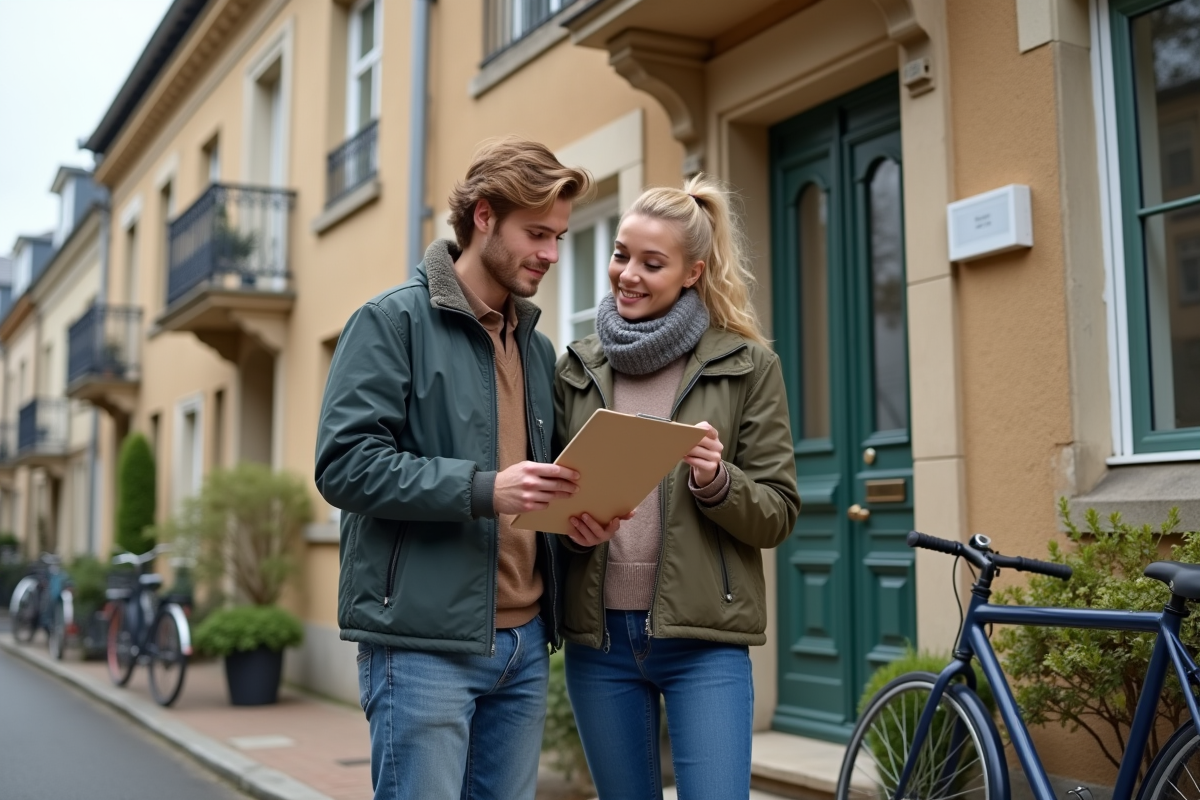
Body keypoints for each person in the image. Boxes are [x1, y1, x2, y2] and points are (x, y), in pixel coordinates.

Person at [315, 136, 620, 800]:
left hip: (523, 650)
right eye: (537, 232)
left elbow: (535, 491)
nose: (551, 253)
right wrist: (484, 490)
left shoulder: (537, 351)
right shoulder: (390, 323)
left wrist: (575, 525)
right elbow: (344, 466)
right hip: (423, 650)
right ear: (484, 216)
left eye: (561, 237)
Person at [554, 174, 801, 799]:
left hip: (704, 643)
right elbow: (549, 504)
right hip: (600, 641)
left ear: (692, 272)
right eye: (620, 254)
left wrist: (719, 481)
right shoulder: (577, 368)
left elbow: (777, 514)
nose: (627, 274)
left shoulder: (747, 365)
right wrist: (573, 530)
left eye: (651, 263)